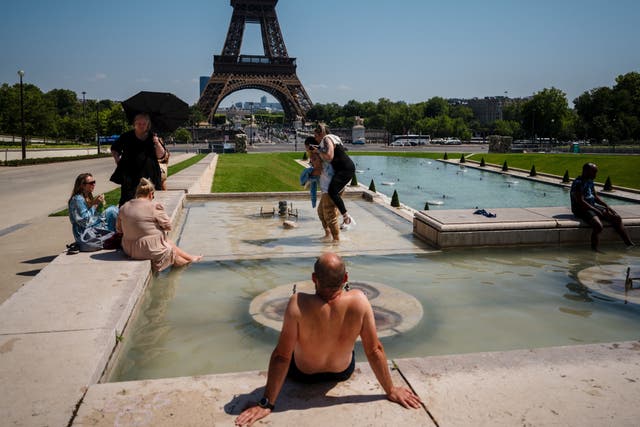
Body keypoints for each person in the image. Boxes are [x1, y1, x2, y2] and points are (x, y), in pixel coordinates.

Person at [234, 252, 422, 426]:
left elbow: (281, 357)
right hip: (341, 372)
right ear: (346, 278)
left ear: (314, 278)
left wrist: (266, 403)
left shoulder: (298, 302)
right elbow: (374, 350)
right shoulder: (359, 301)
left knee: (288, 346)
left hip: (303, 375)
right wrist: (390, 390)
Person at [116, 178, 202, 272]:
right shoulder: (154, 207)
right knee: (170, 251)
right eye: (153, 196)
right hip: (148, 248)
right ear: (151, 194)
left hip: (129, 248)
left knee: (166, 242)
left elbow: (119, 229)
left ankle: (190, 258)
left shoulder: (124, 207)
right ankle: (189, 265)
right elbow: (168, 226)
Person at [570, 162, 634, 251]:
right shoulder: (578, 183)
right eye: (594, 172)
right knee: (598, 226)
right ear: (586, 171)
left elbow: (595, 197)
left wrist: (607, 206)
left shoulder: (590, 181)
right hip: (581, 209)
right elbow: (581, 202)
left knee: (617, 218)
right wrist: (596, 211)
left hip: (591, 206)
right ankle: (594, 249)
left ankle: (629, 243)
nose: (595, 174)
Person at [110, 113, 166, 206]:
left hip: (149, 174)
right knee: (127, 200)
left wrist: (157, 142)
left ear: (148, 124)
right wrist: (117, 159)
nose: (141, 126)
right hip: (130, 174)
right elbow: (114, 149)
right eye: (139, 123)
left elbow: (161, 155)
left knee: (148, 199)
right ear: (134, 124)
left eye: (144, 123)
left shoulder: (153, 137)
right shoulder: (126, 136)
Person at [313, 123, 356, 229]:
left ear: (322, 133)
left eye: (316, 135)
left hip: (344, 169)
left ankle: (347, 218)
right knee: (333, 192)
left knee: (332, 191)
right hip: (345, 168)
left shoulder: (327, 138)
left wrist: (317, 150)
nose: (315, 138)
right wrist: (319, 148)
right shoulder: (333, 138)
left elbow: (329, 156)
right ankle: (345, 218)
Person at [68, 173, 119, 248]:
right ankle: (113, 238)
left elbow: (93, 216)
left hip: (90, 229)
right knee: (112, 211)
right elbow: (85, 222)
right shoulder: (77, 199)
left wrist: (98, 205)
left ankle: (114, 236)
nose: (94, 184)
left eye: (94, 182)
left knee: (113, 209)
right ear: (82, 185)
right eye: (91, 183)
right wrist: (95, 205)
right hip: (84, 234)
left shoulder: (87, 197)